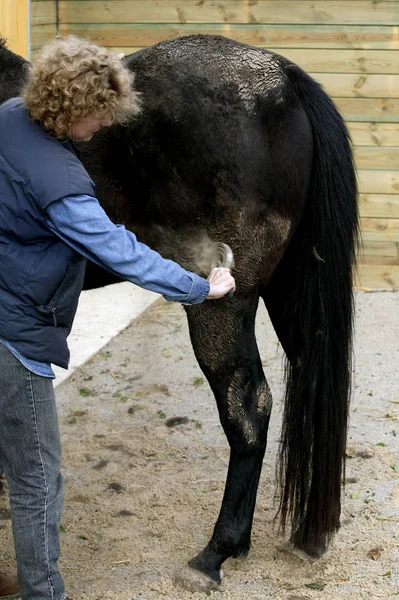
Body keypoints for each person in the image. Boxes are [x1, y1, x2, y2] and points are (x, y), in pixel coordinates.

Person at [0, 36, 235, 600]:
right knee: (35, 477)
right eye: (100, 117)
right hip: (13, 337)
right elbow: (119, 252)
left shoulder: (9, 117)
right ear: (74, 110)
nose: (104, 127)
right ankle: (43, 593)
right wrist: (199, 287)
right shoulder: (62, 183)